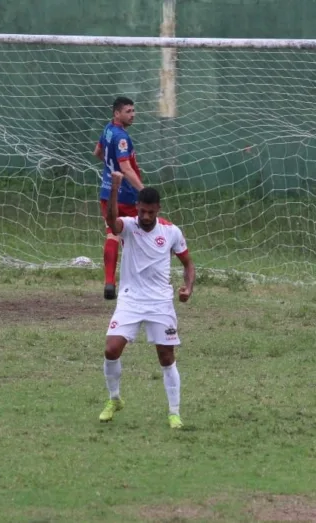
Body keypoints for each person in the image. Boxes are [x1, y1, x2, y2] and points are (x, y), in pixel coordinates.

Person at [98, 172, 195, 429]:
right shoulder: (129, 226)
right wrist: (115, 188)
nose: (146, 217)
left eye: (150, 213)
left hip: (160, 303)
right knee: (111, 349)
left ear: (158, 210)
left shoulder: (171, 232)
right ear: (137, 209)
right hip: (130, 300)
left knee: (166, 356)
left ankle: (174, 412)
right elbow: (110, 220)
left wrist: (188, 287)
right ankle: (114, 399)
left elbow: (188, 264)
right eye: (142, 211)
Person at [93, 96, 144, 300]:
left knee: (112, 235)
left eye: (133, 111)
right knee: (136, 238)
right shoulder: (122, 137)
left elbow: (97, 152)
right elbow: (125, 168)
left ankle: (109, 282)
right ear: (117, 113)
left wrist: (109, 168)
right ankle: (136, 284)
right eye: (128, 111)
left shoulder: (107, 129)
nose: (133, 115)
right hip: (126, 197)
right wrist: (143, 191)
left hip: (107, 193)